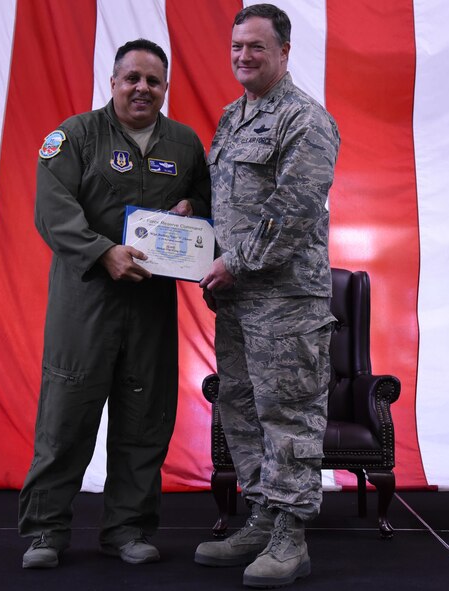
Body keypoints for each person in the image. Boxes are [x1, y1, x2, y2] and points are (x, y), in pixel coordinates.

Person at [19, 38, 211, 569]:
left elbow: (209, 204)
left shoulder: (185, 144)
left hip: (151, 304)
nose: (142, 88)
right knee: (66, 418)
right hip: (86, 302)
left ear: (165, 88)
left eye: (153, 80)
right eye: (132, 78)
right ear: (113, 82)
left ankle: (127, 529)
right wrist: (103, 253)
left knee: (146, 419)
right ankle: (45, 532)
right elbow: (53, 211)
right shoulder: (75, 136)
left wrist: (193, 206)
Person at [194, 4, 340, 589]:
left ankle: (291, 536)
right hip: (236, 301)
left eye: (256, 46)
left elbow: (293, 211)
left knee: (288, 414)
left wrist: (237, 261)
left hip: (286, 301)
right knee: (242, 408)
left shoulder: (305, 120)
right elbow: (223, 198)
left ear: (283, 51)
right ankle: (261, 517)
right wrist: (189, 221)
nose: (243, 56)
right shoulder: (233, 118)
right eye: (236, 47)